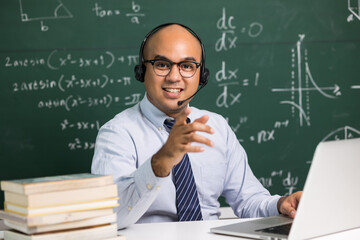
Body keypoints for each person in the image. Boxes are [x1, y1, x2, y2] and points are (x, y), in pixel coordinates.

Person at [91, 23, 302, 229]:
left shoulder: (216, 126)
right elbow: (112, 216)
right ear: (141, 71)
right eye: (162, 64)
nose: (174, 77)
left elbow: (249, 200)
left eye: (187, 66)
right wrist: (160, 162)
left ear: (202, 76)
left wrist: (280, 204)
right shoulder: (116, 133)